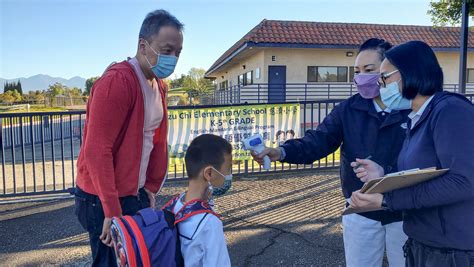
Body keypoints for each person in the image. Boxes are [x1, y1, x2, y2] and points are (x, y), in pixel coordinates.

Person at [253, 38, 410, 266]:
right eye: (357, 71)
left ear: (390, 70)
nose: (361, 77)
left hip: (403, 212)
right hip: (360, 209)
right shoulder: (348, 109)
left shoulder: (412, 108)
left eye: (369, 70)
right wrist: (282, 152)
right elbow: (318, 141)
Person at [73, 10, 183, 266]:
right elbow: (97, 150)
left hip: (133, 194)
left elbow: (154, 140)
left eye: (178, 52)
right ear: (142, 45)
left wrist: (150, 189)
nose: (173, 58)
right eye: (166, 50)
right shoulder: (118, 82)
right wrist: (111, 209)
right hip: (101, 199)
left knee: (137, 259)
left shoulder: (159, 85)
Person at [350, 40, 474, 267]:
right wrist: (383, 174)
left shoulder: (450, 111)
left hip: (453, 252)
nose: (380, 85)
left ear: (411, 72)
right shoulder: (417, 118)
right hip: (423, 244)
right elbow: (424, 173)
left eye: (385, 77)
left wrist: (386, 200)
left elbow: (463, 181)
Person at [164, 134, 232, 267]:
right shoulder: (209, 223)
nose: (228, 175)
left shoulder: (175, 205)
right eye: (228, 169)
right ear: (209, 174)